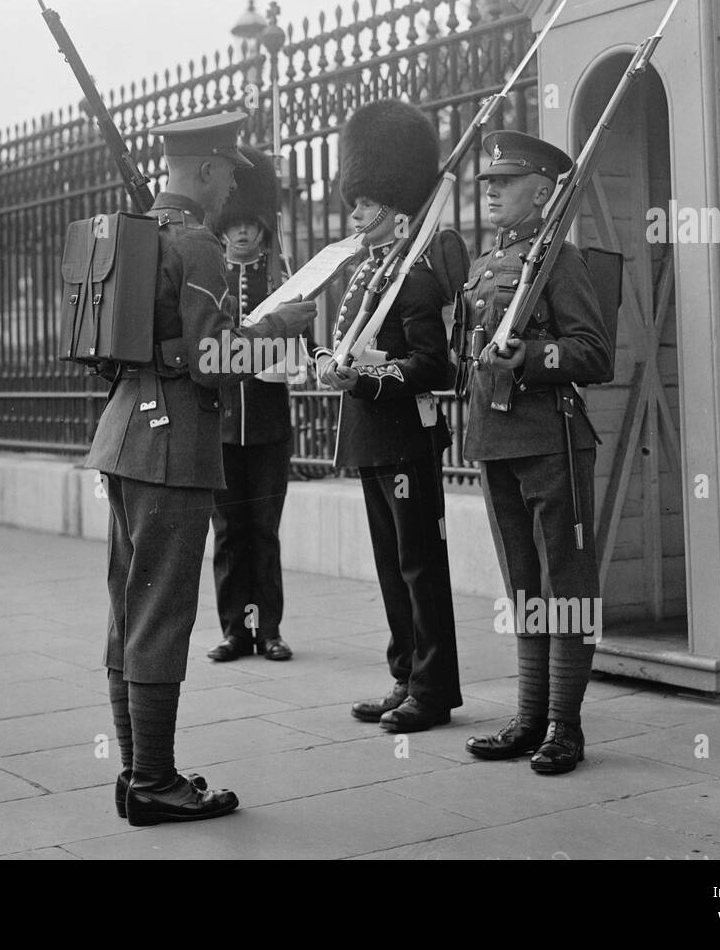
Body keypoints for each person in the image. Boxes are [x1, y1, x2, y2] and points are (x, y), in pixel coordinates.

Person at [83, 111, 317, 826]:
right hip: (174, 445)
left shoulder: (135, 235)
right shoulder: (200, 248)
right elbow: (215, 363)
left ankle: (135, 772)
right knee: (160, 615)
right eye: (229, 179)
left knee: (129, 610)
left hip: (123, 436)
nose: (229, 198)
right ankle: (154, 780)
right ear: (210, 172)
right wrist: (282, 326)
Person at [461, 130, 613, 775]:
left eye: (506, 182)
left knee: (566, 585)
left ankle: (564, 727)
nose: (491, 191)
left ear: (544, 192)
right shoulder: (483, 264)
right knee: (522, 584)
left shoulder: (560, 261)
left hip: (551, 437)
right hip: (495, 438)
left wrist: (536, 357)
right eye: (488, 183)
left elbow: (595, 353)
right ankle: (529, 717)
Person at [314, 99, 463, 734]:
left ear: (395, 207)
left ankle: (433, 688)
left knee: (418, 565)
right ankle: (405, 676)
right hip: (374, 437)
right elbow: (349, 343)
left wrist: (368, 379)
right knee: (389, 565)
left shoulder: (417, 276)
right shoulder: (364, 274)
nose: (354, 215)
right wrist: (330, 361)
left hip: (406, 438)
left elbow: (436, 367)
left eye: (364, 204)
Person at [206, 146, 295, 664]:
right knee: (229, 534)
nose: (243, 233)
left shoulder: (279, 279)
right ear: (223, 228)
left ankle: (270, 630)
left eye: (251, 226)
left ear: (263, 228)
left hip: (266, 424)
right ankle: (235, 630)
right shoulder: (211, 277)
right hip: (222, 427)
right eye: (235, 225)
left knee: (263, 530)